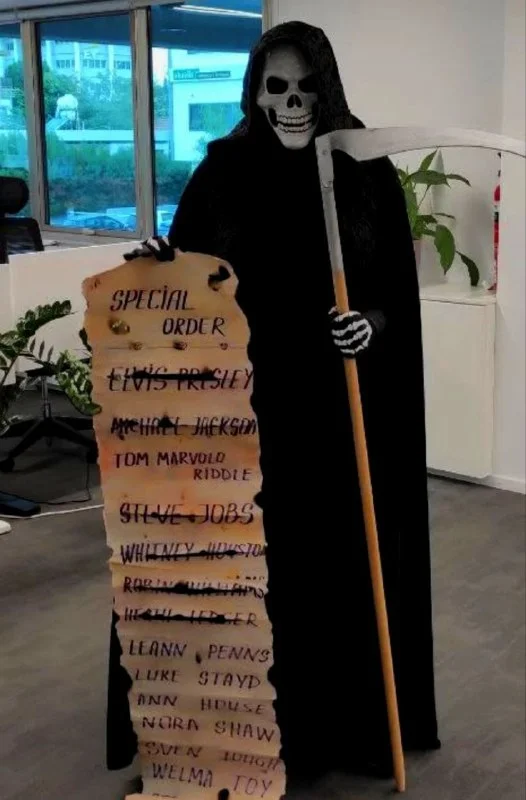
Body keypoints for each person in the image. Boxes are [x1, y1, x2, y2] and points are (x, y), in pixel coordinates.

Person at [109, 19, 440, 780]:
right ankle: (238, 730)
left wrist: (371, 323)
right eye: (276, 88)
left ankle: (333, 731)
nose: (292, 104)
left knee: (331, 568)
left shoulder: (363, 171)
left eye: (306, 87)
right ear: (255, 92)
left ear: (329, 87)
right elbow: (191, 268)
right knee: (253, 566)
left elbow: (395, 293)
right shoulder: (222, 172)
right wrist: (160, 268)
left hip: (335, 413)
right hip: (246, 413)